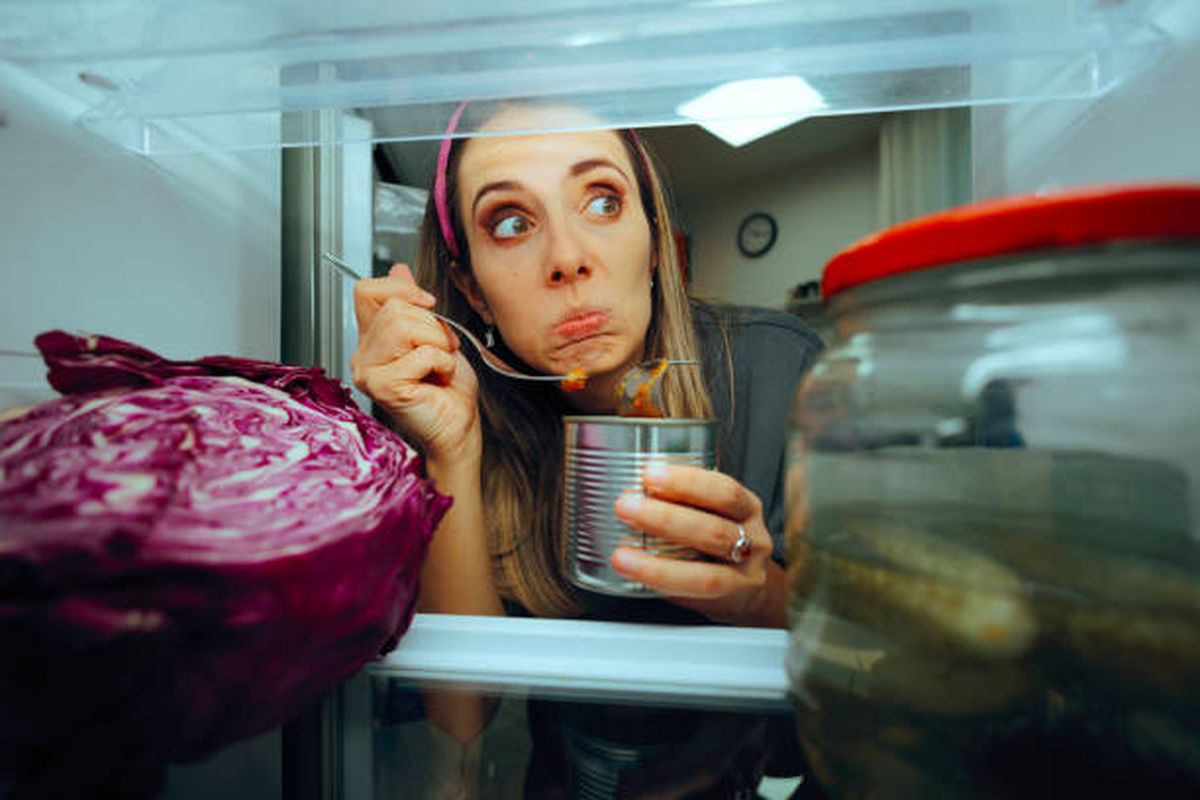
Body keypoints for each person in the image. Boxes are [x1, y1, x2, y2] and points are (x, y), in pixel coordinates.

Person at [352, 103, 823, 759]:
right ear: (476, 293)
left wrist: (758, 597)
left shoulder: (783, 369)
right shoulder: (449, 413)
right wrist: (451, 452)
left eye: (601, 202)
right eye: (511, 223)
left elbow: (883, 661)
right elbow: (460, 718)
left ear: (656, 242)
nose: (568, 259)